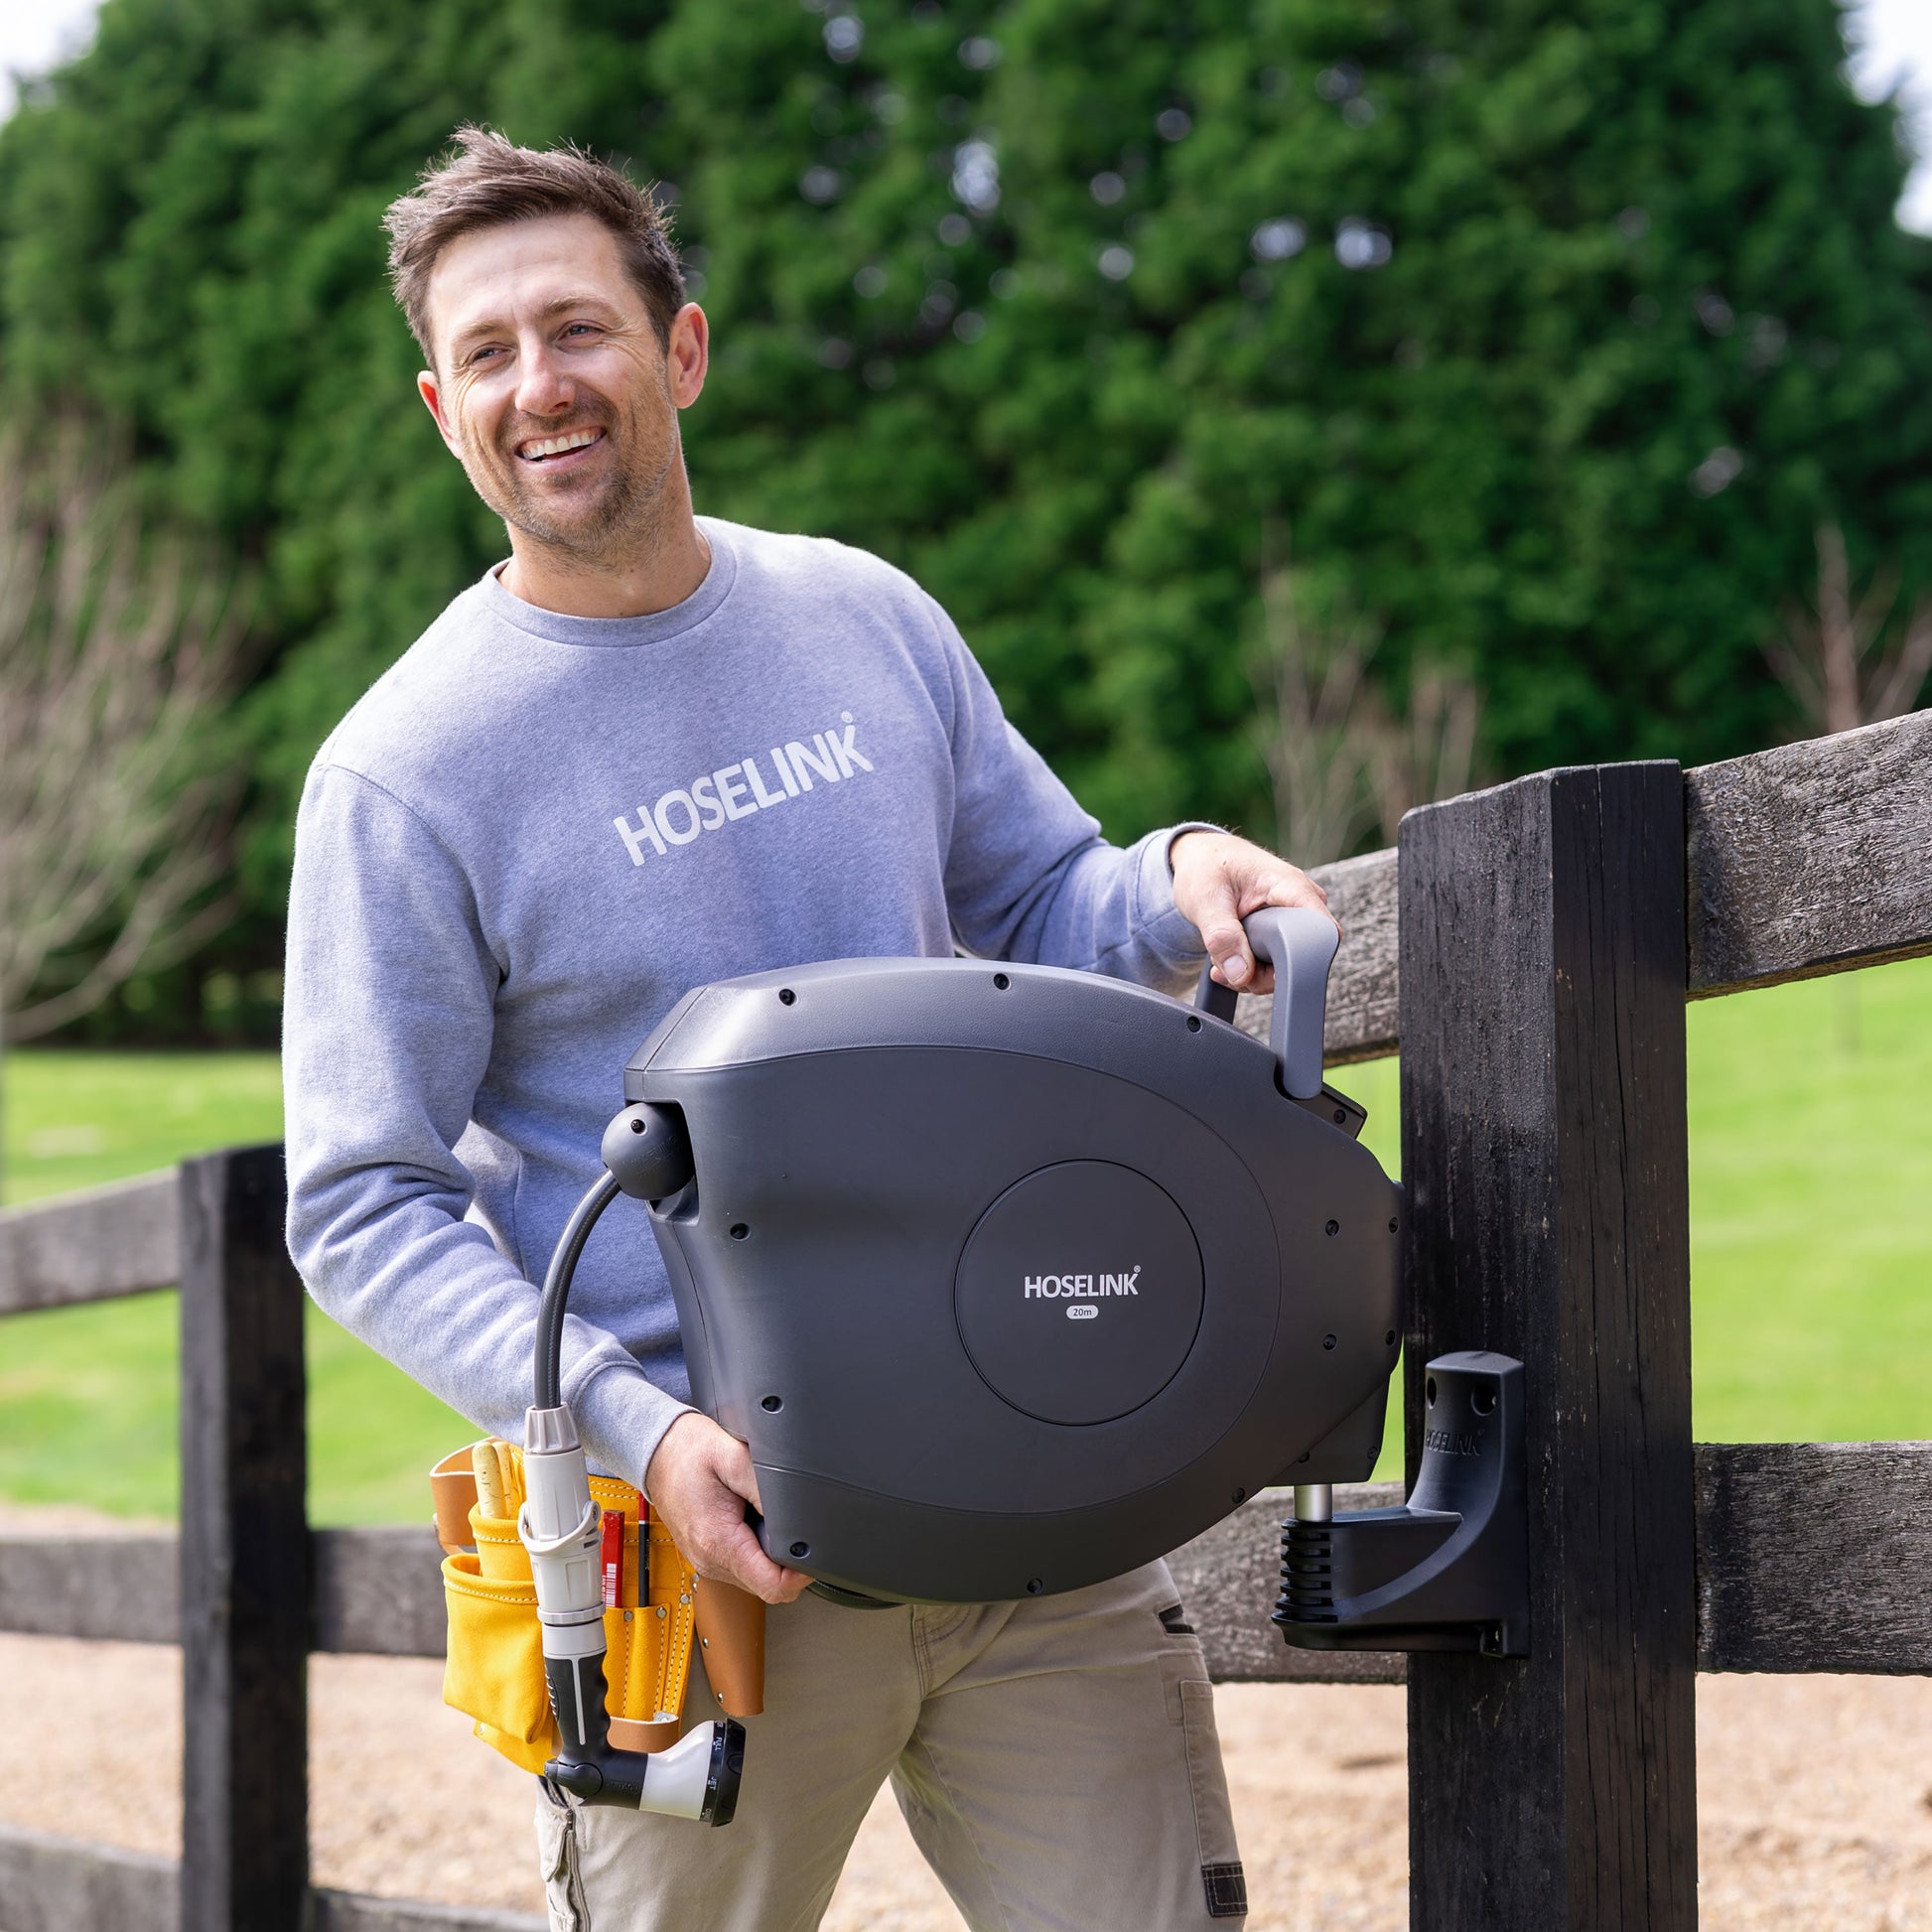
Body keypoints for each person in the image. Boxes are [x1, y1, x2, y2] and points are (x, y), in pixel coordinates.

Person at [284, 127, 1333, 1932]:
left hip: (1034, 1473)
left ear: (678, 351)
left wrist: (1178, 878)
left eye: (578, 328)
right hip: (711, 1555)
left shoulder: (865, 615)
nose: (540, 385)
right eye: (486, 354)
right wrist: (631, 1430)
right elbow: (360, 1197)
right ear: (440, 407)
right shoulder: (403, 774)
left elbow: (1039, 909)